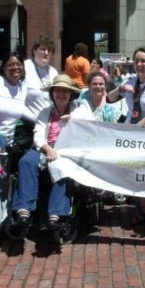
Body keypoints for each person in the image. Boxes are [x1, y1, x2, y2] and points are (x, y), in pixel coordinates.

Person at [11, 74, 90, 229]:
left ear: (71, 94)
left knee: (61, 166)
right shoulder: (45, 112)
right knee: (26, 161)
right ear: (52, 93)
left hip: (67, 150)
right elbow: (38, 135)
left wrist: (72, 121)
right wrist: (47, 149)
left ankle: (56, 212)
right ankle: (24, 209)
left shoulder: (80, 109)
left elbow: (89, 127)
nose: (61, 94)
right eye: (57, 91)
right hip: (45, 147)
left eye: (65, 91)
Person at [106, 46, 145, 234]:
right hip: (133, 136)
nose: (139, 64)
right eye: (137, 61)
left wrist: (136, 127)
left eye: (143, 61)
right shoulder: (131, 80)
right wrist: (121, 87)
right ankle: (144, 211)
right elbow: (108, 99)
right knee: (137, 176)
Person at [0, 52, 27, 246]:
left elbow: (32, 111)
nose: (15, 67)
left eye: (18, 64)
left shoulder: (22, 89)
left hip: (8, 145)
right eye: (11, 64)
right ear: (3, 67)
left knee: (3, 185)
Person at [23, 35, 59, 123]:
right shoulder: (24, 67)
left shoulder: (53, 72)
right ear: (34, 51)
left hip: (49, 123)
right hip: (29, 123)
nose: (46, 53)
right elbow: (17, 101)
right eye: (42, 49)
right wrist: (36, 120)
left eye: (49, 51)